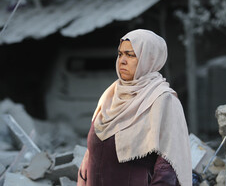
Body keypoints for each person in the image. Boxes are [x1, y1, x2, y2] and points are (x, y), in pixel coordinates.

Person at [77, 29, 192, 186]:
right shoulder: (111, 95)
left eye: (130, 55)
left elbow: (168, 164)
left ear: (149, 58)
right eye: (120, 54)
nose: (122, 61)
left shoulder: (163, 100)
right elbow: (93, 151)